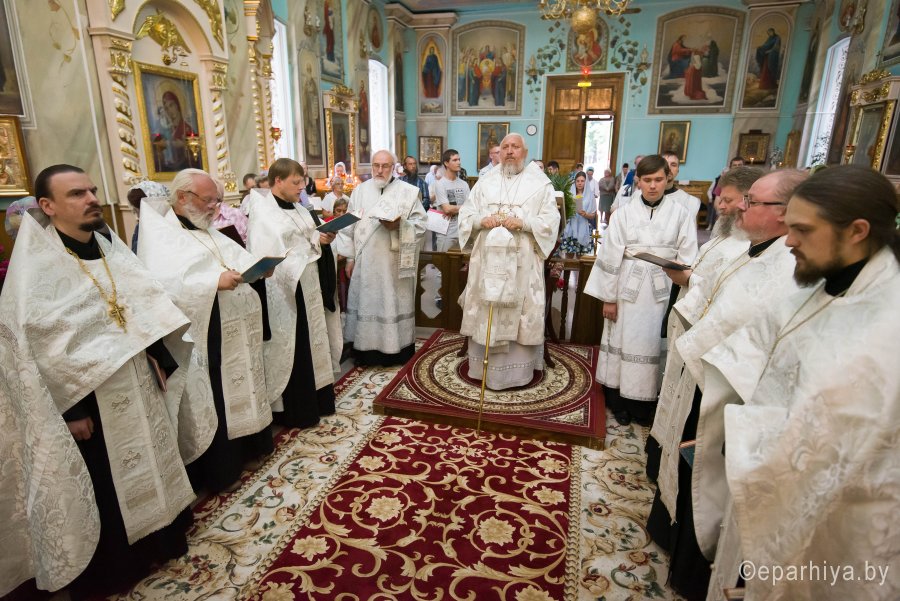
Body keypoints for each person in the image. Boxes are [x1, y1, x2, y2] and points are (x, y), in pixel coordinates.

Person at [0, 164, 195, 599]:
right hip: (92, 397)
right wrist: (72, 409)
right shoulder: (37, 268)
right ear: (48, 206)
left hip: (136, 380)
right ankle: (119, 567)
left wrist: (160, 357)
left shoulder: (108, 247)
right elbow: (37, 348)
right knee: (108, 481)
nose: (91, 199)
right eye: (76, 194)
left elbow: (140, 304)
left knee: (151, 457)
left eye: (91, 190)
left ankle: (160, 540)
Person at [706, 165, 900, 600]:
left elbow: (842, 438)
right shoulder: (831, 283)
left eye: (803, 230)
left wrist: (743, 436)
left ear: (857, 231)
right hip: (768, 472)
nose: (789, 241)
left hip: (840, 526)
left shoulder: (887, 327)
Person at [657, 169, 807, 600]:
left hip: (734, 391)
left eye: (751, 201)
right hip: (711, 373)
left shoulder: (787, 266)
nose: (739, 206)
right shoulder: (755, 250)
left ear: (785, 213)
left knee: (712, 488)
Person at [137, 168, 273, 493]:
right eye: (209, 200)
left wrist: (258, 268)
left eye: (218, 201)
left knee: (238, 386)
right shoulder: (161, 235)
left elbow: (235, 259)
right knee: (215, 397)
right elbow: (161, 285)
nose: (215, 207)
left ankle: (247, 450)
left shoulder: (206, 229)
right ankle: (221, 471)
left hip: (232, 330)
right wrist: (213, 282)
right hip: (201, 336)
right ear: (183, 197)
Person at [646, 166, 762, 481]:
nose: (719, 205)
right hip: (692, 335)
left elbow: (727, 296)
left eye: (727, 200)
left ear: (748, 201)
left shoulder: (749, 249)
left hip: (710, 353)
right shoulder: (723, 238)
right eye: (720, 198)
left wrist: (688, 278)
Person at [583, 155, 698, 426]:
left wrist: (681, 283)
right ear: (638, 182)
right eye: (647, 180)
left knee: (653, 343)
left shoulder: (681, 214)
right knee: (622, 340)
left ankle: (644, 405)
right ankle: (617, 401)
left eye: (658, 179)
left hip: (663, 289)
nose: (653, 186)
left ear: (667, 179)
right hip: (627, 289)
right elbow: (610, 257)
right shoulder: (623, 214)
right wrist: (609, 299)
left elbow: (688, 255)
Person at [458, 133, 560, 390]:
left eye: (515, 147)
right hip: (488, 262)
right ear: (499, 152)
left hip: (522, 263)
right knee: (488, 307)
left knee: (520, 308)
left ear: (524, 152)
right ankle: (482, 370)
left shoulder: (540, 184)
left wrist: (524, 223)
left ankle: (517, 374)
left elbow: (551, 221)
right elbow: (466, 214)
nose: (510, 151)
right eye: (505, 147)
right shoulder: (485, 181)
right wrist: (480, 220)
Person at [246, 159, 341, 427]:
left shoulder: (299, 208)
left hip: (308, 285)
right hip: (285, 290)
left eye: (302, 182)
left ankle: (319, 400)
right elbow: (266, 253)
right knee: (295, 346)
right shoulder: (264, 214)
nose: (302, 187)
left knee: (314, 342)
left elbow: (309, 237)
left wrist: (323, 239)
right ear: (278, 181)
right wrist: (308, 251)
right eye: (296, 182)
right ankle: (297, 410)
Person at [334, 149, 426, 366]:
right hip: (366, 262)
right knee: (367, 302)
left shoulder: (407, 192)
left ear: (393, 167)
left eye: (385, 166)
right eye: (376, 165)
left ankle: (396, 351)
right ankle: (366, 352)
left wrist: (400, 225)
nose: (380, 170)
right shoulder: (360, 191)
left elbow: (421, 225)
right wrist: (350, 258)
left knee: (391, 303)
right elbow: (349, 226)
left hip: (394, 263)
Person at [433, 148, 470, 252]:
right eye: (454, 160)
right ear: (446, 163)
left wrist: (455, 209)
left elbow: (471, 207)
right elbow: (447, 209)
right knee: (444, 261)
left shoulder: (464, 184)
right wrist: (464, 208)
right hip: (445, 233)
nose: (459, 162)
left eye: (459, 159)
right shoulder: (440, 184)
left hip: (462, 231)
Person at [126, 180, 170, 253]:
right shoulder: (140, 227)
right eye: (135, 211)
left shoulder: (168, 228)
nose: (137, 216)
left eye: (141, 210)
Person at [707, 156, 745, 230]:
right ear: (730, 168)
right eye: (734, 165)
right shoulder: (723, 182)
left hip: (742, 218)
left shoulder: (750, 182)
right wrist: (721, 213)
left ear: (744, 167)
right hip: (726, 217)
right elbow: (717, 201)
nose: (737, 167)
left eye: (740, 165)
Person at [563, 171, 596, 250]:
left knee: (581, 254)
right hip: (570, 226)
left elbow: (593, 215)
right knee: (569, 253)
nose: (579, 183)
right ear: (575, 182)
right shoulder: (570, 194)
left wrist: (585, 214)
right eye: (577, 181)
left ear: (586, 182)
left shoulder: (590, 196)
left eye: (582, 181)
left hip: (584, 226)